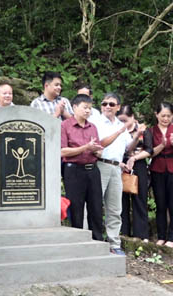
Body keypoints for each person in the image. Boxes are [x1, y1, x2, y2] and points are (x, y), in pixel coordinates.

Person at [61, 94, 104, 241]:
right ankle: (77, 242)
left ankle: (98, 241)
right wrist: (86, 147)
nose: (88, 111)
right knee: (76, 207)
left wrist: (96, 150)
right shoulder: (65, 125)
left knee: (96, 207)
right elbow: (62, 151)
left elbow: (99, 151)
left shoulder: (93, 127)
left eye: (90, 108)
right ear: (74, 108)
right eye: (85, 107)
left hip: (92, 169)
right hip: (73, 170)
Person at [94, 92, 133, 255]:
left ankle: (114, 241)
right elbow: (99, 144)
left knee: (115, 207)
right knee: (95, 205)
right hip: (100, 164)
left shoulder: (120, 124)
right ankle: (93, 240)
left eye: (111, 104)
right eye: (104, 104)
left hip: (117, 167)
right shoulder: (95, 122)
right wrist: (119, 131)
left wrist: (137, 135)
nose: (107, 107)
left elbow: (127, 148)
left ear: (118, 107)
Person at [149, 102, 173, 248]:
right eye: (163, 115)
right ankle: (161, 236)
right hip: (158, 167)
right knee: (160, 203)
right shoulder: (152, 131)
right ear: (156, 115)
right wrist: (162, 145)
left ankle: (172, 237)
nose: (166, 119)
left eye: (168, 116)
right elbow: (150, 152)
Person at [117, 105, 152, 241]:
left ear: (132, 117)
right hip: (121, 165)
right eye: (120, 121)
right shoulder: (118, 129)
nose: (123, 124)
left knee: (139, 199)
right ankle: (123, 231)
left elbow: (149, 150)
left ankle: (140, 234)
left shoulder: (143, 130)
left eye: (125, 120)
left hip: (139, 165)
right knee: (121, 200)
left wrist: (135, 157)